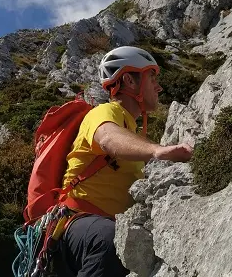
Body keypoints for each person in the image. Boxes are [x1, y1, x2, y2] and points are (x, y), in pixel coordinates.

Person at [53, 46, 193, 277]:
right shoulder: (103, 112)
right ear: (129, 80)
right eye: (151, 77)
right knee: (111, 242)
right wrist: (156, 150)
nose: (158, 87)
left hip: (97, 230)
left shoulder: (130, 131)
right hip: (77, 225)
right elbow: (108, 138)